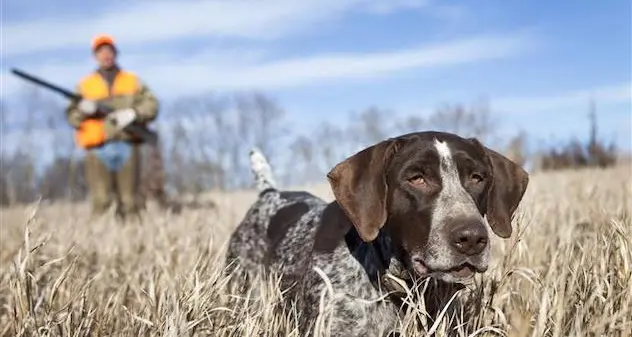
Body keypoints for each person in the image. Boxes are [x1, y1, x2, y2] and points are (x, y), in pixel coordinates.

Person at [65, 34, 159, 221]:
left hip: (127, 145)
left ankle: (133, 241)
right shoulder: (84, 85)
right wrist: (83, 111)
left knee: (130, 202)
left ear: (116, 53)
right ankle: (100, 244)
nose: (106, 55)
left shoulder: (132, 80)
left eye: (109, 51)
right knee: (101, 202)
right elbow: (71, 117)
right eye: (101, 51)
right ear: (95, 56)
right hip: (98, 148)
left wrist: (133, 113)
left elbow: (152, 106)